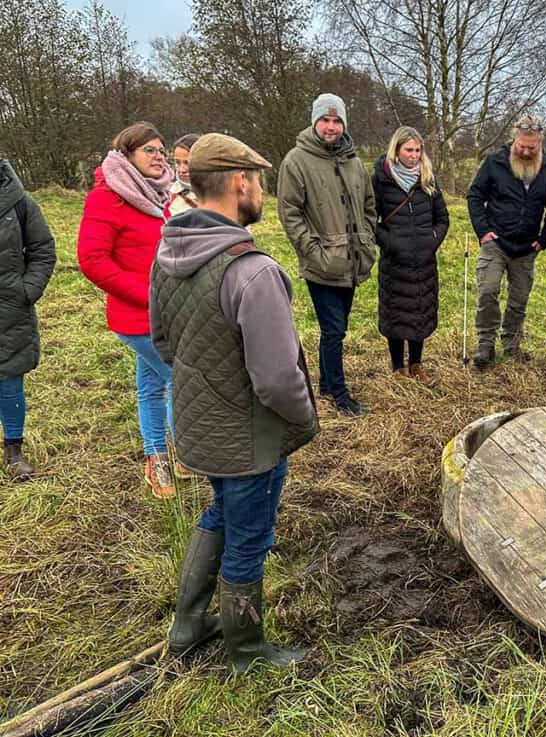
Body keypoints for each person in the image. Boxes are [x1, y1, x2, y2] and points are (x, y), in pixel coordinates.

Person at [151, 133, 318, 674]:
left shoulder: (168, 253)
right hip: (250, 437)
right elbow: (275, 378)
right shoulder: (253, 271)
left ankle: (189, 623)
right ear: (240, 183)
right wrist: (305, 419)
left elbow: (163, 343)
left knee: (221, 512)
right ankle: (247, 651)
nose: (261, 191)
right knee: (250, 537)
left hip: (202, 428)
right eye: (259, 181)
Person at [77, 121, 182, 499]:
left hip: (168, 311)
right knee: (179, 379)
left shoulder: (160, 194)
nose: (159, 157)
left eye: (161, 149)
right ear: (127, 156)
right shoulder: (107, 198)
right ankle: (180, 454)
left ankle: (158, 458)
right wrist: (149, 295)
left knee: (151, 385)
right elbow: (91, 260)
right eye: (149, 151)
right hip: (138, 316)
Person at [278, 93, 377, 415]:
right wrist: (312, 251)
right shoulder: (297, 160)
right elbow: (290, 212)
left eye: (336, 121)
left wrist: (368, 240)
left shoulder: (354, 161)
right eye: (325, 120)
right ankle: (338, 393)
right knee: (334, 329)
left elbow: (368, 207)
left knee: (337, 327)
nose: (331, 127)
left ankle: (324, 385)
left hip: (352, 261)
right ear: (314, 122)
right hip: (322, 263)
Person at [467, 116, 546, 367]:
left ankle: (511, 344)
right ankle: (485, 345)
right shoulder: (495, 162)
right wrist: (483, 231)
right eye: (522, 146)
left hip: (528, 246)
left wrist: (544, 239)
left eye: (533, 148)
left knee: (519, 299)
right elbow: (475, 195)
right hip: (495, 242)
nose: (527, 151)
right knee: (488, 290)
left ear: (540, 143)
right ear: (514, 140)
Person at [372, 126, 450, 380]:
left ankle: (416, 364)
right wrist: (389, 242)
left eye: (417, 150)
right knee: (396, 313)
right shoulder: (381, 179)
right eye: (408, 150)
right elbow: (370, 219)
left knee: (421, 310)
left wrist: (432, 240)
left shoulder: (427, 178)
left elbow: (443, 218)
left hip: (424, 260)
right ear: (396, 149)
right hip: (395, 262)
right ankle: (398, 368)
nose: (414, 155)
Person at [1, 159, 56, 481]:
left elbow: (42, 248)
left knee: (9, 378)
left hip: (8, 306)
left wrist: (26, 291)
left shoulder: (18, 202)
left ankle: (13, 450)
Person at [168, 134, 200, 216]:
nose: (181, 170)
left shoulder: (220, 194)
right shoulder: (167, 196)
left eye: (187, 163)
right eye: (177, 163)